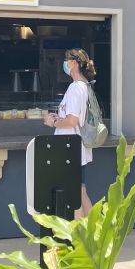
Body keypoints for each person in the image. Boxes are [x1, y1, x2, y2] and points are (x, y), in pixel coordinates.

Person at [42, 48, 97, 218]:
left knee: (74, 195)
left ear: (73, 64)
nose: (64, 64)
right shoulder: (84, 86)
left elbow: (72, 121)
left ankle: (79, 237)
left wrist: (54, 122)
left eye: (66, 60)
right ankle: (93, 233)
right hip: (78, 148)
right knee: (80, 191)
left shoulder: (75, 88)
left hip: (70, 149)